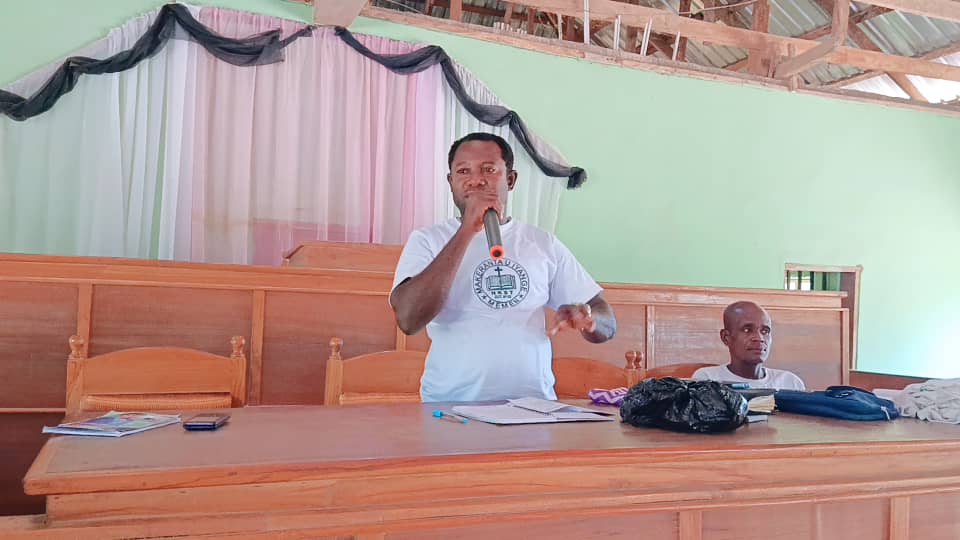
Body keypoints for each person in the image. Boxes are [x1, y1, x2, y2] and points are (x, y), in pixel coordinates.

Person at [390, 132, 616, 402]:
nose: (476, 180)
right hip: (450, 410)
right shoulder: (427, 241)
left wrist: (588, 318)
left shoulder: (542, 243)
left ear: (510, 179)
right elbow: (408, 319)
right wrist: (466, 232)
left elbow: (607, 322)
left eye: (489, 169)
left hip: (533, 409)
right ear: (451, 183)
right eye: (463, 171)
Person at [692, 301, 806, 390]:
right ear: (726, 337)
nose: (759, 338)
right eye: (747, 330)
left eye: (765, 331)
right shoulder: (708, 379)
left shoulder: (790, 383)